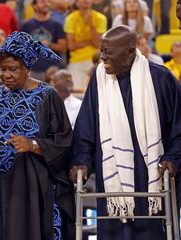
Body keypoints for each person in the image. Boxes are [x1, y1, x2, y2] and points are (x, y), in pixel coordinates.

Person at [69, 25, 181, 239]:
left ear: (130, 51)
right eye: (101, 50)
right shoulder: (98, 79)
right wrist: (81, 161)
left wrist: (173, 158)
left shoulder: (161, 78)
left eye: (108, 52)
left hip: (151, 177)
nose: (102, 57)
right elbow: (86, 127)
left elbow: (179, 126)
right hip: (112, 179)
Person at [0, 31, 75, 240]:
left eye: (13, 69)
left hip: (32, 186)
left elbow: (64, 142)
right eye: (3, 69)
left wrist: (32, 144)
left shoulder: (48, 96)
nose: (6, 75)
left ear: (27, 68)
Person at [64, 0, 107, 92]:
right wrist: (89, 42)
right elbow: (71, 46)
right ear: (77, 2)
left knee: (98, 92)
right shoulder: (70, 18)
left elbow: (98, 44)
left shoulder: (101, 18)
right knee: (74, 92)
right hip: (76, 61)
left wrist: (91, 24)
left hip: (95, 60)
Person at [20, 0, 66, 80]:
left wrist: (49, 44)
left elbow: (63, 47)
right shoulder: (26, 25)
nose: (46, 4)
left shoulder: (56, 25)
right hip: (32, 70)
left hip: (53, 70)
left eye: (48, 2)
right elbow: (20, 49)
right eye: (42, 1)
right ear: (34, 5)